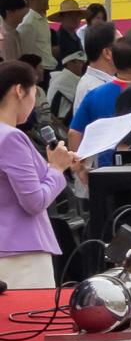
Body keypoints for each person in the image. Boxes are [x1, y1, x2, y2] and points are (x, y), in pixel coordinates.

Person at [0, 62, 75, 288]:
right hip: (21, 250)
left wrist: (56, 165)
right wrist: (57, 169)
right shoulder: (12, 137)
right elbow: (34, 201)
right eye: (34, 92)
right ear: (20, 90)